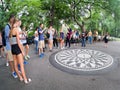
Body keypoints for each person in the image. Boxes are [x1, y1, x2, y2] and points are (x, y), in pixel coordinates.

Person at [9, 19, 31, 84]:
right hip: (17, 48)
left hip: (13, 49)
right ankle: (25, 80)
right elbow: (18, 42)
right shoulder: (16, 29)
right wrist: (23, 52)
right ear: (15, 23)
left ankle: (20, 77)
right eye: (17, 22)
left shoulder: (10, 31)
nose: (18, 23)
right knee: (21, 65)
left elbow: (10, 43)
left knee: (15, 65)